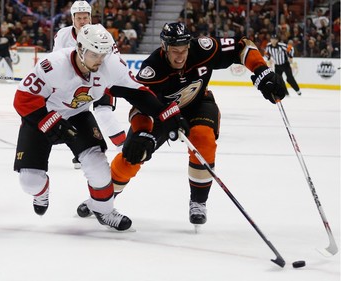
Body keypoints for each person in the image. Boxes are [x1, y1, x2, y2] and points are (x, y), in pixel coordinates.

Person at [76, 22, 287, 227]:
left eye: (184, 49)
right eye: (175, 50)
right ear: (164, 47)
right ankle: (102, 200)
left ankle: (198, 202)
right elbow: (141, 106)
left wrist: (262, 71)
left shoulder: (203, 49)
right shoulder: (152, 69)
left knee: (203, 138)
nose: (180, 56)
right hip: (161, 113)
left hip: (198, 104)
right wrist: (141, 133)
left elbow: (243, 46)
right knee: (131, 156)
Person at [13, 24, 186, 231]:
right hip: (44, 115)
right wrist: (53, 124)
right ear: (80, 48)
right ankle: (41, 192)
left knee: (99, 168)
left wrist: (166, 113)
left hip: (78, 116)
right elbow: (23, 100)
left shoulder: (110, 65)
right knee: (30, 182)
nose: (100, 60)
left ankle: (104, 211)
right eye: (95, 54)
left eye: (103, 54)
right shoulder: (53, 65)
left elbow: (137, 92)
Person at [53, 0, 127, 169]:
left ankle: (125, 148)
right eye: (79, 18)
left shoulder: (101, 33)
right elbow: (56, 60)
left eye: (86, 17)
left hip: (101, 81)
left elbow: (114, 60)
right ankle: (81, 152)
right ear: (72, 18)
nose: (83, 21)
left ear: (90, 18)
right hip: (76, 86)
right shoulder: (63, 35)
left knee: (103, 113)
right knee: (73, 115)